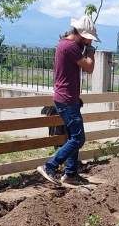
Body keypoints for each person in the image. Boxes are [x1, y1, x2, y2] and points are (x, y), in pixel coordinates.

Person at [36, 15, 98, 186]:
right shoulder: (70, 46)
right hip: (66, 100)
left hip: (68, 99)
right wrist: (91, 52)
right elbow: (89, 68)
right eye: (88, 39)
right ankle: (50, 166)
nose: (88, 43)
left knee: (73, 136)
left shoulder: (66, 45)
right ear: (80, 34)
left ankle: (70, 174)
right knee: (78, 139)